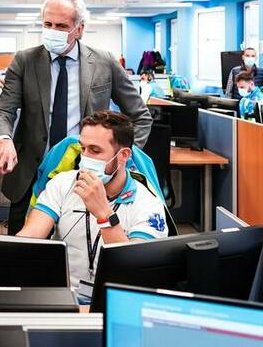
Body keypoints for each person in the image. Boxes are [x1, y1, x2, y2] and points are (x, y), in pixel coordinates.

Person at [0, 0, 152, 235]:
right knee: (23, 249)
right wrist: (3, 140)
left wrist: (120, 159)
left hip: (87, 175)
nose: (52, 31)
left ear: (79, 29)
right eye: (47, 24)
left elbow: (140, 116)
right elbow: (2, 111)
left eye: (61, 26)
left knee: (82, 246)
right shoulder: (25, 61)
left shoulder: (104, 62)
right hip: (32, 175)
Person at [17, 111, 168, 301]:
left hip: (116, 301)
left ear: (123, 155)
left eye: (95, 151)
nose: (85, 158)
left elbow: (132, 271)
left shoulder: (148, 203)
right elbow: (30, 236)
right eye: (83, 149)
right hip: (63, 299)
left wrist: (105, 214)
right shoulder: (62, 183)